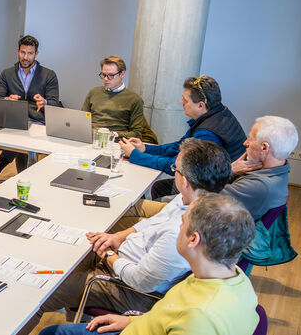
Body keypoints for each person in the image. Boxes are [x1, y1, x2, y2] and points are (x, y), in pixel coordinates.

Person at [19, 139, 232, 333]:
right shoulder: (193, 199)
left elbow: (140, 282)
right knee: (62, 257)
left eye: (174, 169)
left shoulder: (182, 232)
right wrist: (118, 237)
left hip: (127, 287)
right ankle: (73, 302)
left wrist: (108, 254)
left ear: (184, 181)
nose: (172, 171)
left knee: (42, 293)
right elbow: (152, 223)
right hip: (119, 260)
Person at [40, 193, 258, 335]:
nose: (177, 229)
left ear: (194, 239)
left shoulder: (199, 318)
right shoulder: (229, 278)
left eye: (182, 224)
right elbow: (167, 315)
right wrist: (134, 321)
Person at [119, 75, 246, 199]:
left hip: (212, 191)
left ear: (201, 105)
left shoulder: (208, 133)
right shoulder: (217, 113)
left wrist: (135, 154)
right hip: (210, 180)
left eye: (185, 100)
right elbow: (178, 146)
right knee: (159, 187)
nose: (181, 102)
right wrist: (145, 149)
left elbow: (176, 166)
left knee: (159, 189)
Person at [0, 35, 62, 189]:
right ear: (18, 51)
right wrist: (6, 99)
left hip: (38, 121)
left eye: (30, 53)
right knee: (20, 136)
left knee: (22, 140)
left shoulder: (48, 75)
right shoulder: (7, 74)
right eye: (23, 52)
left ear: (36, 54)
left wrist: (44, 102)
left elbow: (55, 103)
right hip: (15, 120)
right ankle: (25, 179)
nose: (26, 57)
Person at [223, 116, 299, 272]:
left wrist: (229, 171)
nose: (246, 142)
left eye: (251, 138)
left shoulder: (259, 186)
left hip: (220, 251)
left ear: (264, 148)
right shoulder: (279, 170)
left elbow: (200, 197)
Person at [80, 56, 157, 144]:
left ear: (122, 74)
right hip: (90, 140)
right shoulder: (93, 92)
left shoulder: (134, 99)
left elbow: (136, 134)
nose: (105, 79)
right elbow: (82, 121)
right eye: (104, 75)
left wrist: (114, 134)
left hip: (114, 143)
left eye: (111, 75)